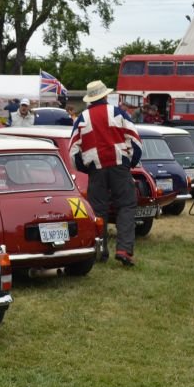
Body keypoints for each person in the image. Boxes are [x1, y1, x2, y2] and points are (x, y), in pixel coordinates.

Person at [69, 80, 143, 266]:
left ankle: (100, 251)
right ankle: (124, 250)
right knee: (126, 206)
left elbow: (73, 151)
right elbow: (136, 142)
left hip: (96, 169)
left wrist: (86, 168)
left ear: (90, 98)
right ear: (105, 96)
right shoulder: (119, 113)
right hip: (120, 167)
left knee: (98, 210)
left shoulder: (82, 118)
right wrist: (129, 164)